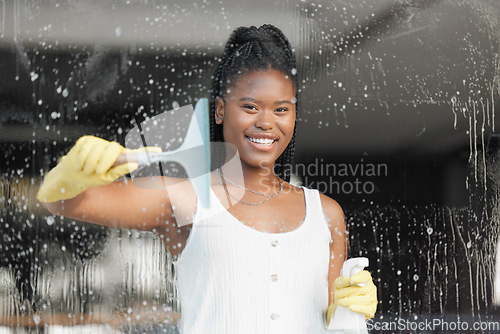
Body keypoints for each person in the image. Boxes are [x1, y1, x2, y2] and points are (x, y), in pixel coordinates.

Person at [37, 24, 377, 333]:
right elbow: (62, 201)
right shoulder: (186, 199)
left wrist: (350, 310)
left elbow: (336, 321)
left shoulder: (326, 213)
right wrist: (70, 173)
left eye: (281, 109)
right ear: (219, 110)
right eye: (249, 107)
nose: (266, 122)